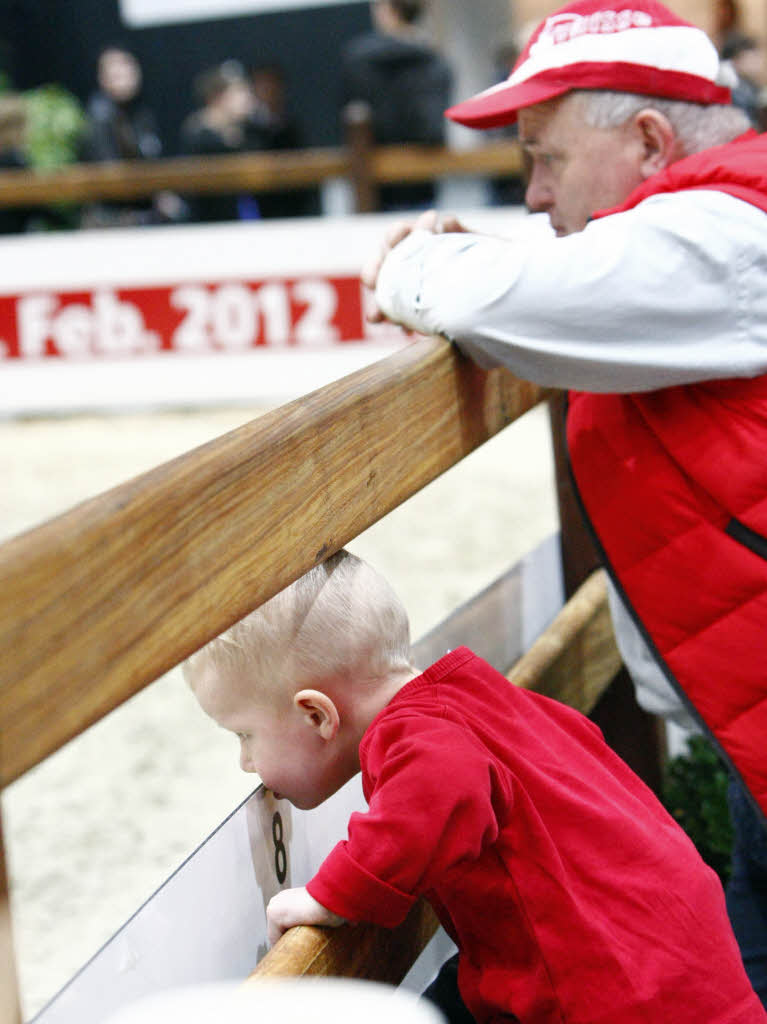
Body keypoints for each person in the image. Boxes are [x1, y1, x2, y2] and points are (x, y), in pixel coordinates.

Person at [363, 0, 767, 1004]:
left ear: (647, 140)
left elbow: (497, 300)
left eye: (542, 156)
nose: (535, 196)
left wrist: (412, 261)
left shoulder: (722, 234)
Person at [184, 549, 764, 1023]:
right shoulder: (476, 697)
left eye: (244, 735)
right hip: (675, 962)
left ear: (317, 715)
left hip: (610, 995)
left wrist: (329, 896)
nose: (245, 762)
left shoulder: (414, 739)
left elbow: (437, 793)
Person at [340, 0, 453, 210]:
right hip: (423, 179)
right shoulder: (435, 62)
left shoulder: (357, 61)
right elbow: (435, 129)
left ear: (386, 9)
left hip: (373, 184)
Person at [81, 46, 183, 227]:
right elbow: (110, 173)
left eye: (128, 69)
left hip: (144, 211)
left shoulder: (140, 113)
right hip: (114, 218)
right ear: (103, 78)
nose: (124, 77)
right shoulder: (99, 117)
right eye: (116, 73)